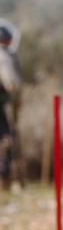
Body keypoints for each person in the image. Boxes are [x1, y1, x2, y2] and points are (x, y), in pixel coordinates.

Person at [0, 22, 21, 189]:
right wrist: (16, 96)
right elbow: (12, 84)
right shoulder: (3, 57)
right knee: (4, 139)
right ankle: (4, 178)